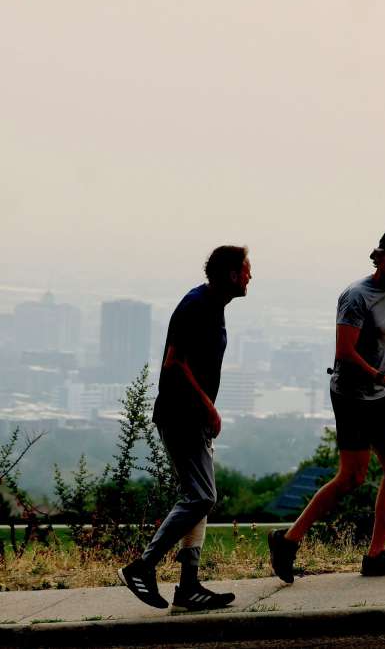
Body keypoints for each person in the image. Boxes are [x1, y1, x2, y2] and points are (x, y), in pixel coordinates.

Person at [268, 231, 385, 582]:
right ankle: (287, 541)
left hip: (380, 392)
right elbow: (345, 352)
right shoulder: (356, 296)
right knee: (352, 476)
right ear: (378, 258)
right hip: (352, 395)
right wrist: (379, 377)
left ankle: (376, 555)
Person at [118, 245, 252, 611]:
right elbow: (174, 363)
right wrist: (207, 407)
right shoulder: (196, 305)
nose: (250, 277)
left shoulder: (213, 305)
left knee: (200, 500)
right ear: (231, 274)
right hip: (181, 416)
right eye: (246, 270)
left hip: (194, 417)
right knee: (201, 497)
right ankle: (143, 567)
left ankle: (188, 588)